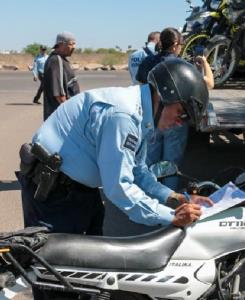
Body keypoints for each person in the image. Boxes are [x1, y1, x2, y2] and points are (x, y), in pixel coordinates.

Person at [17, 58, 213, 238]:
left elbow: (137, 171)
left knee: (89, 266)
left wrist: (175, 198)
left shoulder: (140, 113)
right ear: (163, 96)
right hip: (56, 197)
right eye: (181, 112)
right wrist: (172, 216)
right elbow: (119, 186)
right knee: (52, 269)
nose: (180, 123)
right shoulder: (123, 116)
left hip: (78, 191)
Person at [136, 27, 214, 190]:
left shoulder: (147, 62)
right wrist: (205, 62)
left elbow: (142, 87)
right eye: (181, 44)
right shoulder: (181, 65)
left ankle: (149, 196)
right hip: (175, 120)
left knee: (150, 160)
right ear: (176, 44)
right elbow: (209, 84)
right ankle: (168, 199)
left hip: (151, 118)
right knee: (170, 164)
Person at [42, 31, 80, 120]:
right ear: (61, 44)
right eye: (71, 44)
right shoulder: (56, 60)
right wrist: (69, 114)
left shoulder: (61, 59)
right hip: (61, 116)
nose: (74, 47)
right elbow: (58, 93)